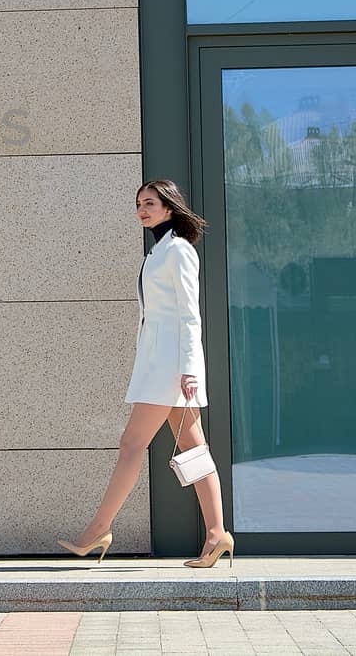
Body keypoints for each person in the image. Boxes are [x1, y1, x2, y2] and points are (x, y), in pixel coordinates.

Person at [57, 179, 235, 569]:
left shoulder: (179, 251)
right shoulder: (158, 252)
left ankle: (99, 529)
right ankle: (217, 533)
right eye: (139, 202)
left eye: (151, 202)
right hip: (158, 364)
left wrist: (189, 368)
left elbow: (191, 315)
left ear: (170, 207)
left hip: (170, 367)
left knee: (131, 444)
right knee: (193, 450)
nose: (143, 208)